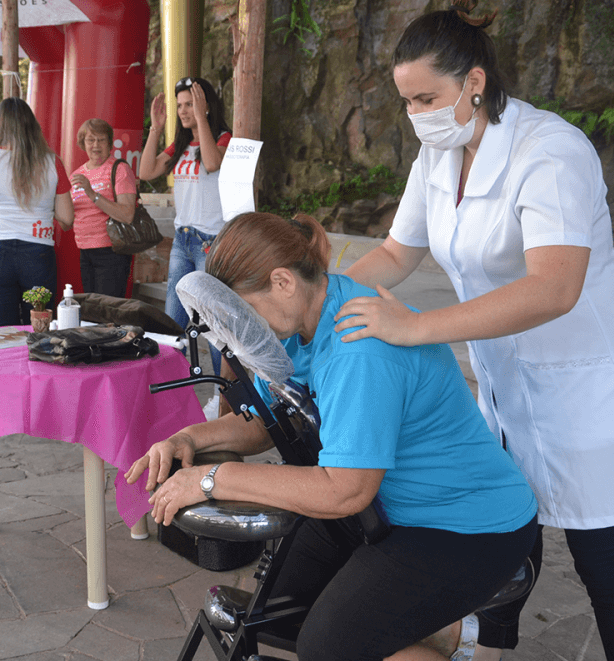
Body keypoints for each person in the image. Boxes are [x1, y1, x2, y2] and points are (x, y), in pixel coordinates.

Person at [331, 0, 614, 659]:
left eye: (425, 98)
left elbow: (555, 286)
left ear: (474, 82)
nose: (416, 117)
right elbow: (398, 253)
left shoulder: (550, 151)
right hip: (510, 389)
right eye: (406, 102)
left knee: (609, 567)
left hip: (588, 391)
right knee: (506, 536)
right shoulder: (439, 157)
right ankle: (488, 651)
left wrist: (417, 328)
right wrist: (325, 299)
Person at [127, 212, 538, 661]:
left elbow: (344, 491)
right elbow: (268, 420)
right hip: (387, 505)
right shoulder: (297, 322)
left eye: (245, 311)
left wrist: (210, 479)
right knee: (280, 613)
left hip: (464, 523)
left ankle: (448, 632)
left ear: (282, 282)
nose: (246, 328)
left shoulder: (358, 347)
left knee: (329, 648)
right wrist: (190, 439)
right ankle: (448, 630)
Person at [138, 77, 231, 373]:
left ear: (205, 104)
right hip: (183, 240)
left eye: (190, 104)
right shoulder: (179, 145)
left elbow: (213, 163)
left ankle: (224, 398)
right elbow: (146, 170)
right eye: (180, 106)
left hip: (210, 242)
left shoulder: (223, 138)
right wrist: (155, 127)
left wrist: (202, 119)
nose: (183, 111)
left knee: (214, 324)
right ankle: (174, 388)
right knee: (172, 322)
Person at [0, 98, 73, 327]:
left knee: (3, 330)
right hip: (37, 253)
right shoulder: (52, 162)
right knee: (40, 330)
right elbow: (67, 218)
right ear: (31, 125)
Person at [69, 118, 137, 297]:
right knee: (92, 312)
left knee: (107, 314)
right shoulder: (76, 175)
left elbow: (127, 214)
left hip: (112, 251)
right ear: (83, 143)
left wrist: (92, 193)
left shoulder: (120, 169)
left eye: (101, 140)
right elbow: (68, 218)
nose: (96, 145)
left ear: (110, 143)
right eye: (90, 140)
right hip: (85, 251)